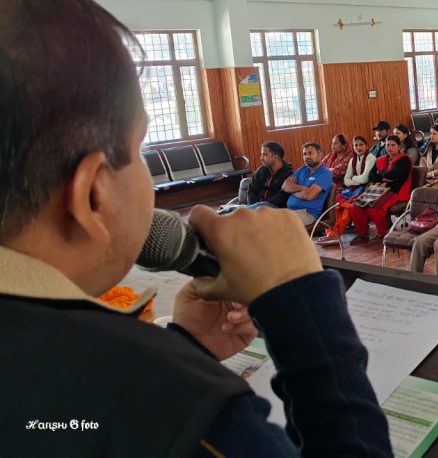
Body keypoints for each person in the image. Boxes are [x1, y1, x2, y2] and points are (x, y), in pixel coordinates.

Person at [0, 1, 392, 456]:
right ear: (93, 195)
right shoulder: (174, 402)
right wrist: (306, 316)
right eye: (140, 151)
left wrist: (187, 349)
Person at [350, 135, 412, 244]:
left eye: (393, 145)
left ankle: (381, 234)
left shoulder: (404, 159)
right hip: (377, 189)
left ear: (399, 147)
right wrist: (385, 176)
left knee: (374, 207)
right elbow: (371, 175)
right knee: (356, 205)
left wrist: (381, 173)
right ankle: (362, 234)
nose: (390, 148)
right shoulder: (381, 159)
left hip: (395, 191)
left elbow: (395, 175)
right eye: (388, 145)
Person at [317, 136, 376, 245]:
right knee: (336, 206)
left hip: (366, 189)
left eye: (361, 145)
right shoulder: (353, 160)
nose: (358, 147)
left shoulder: (370, 158)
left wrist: (353, 178)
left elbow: (364, 179)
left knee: (347, 207)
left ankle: (338, 234)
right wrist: (355, 180)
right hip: (352, 190)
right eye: (356, 145)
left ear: (366, 146)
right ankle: (331, 233)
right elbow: (346, 180)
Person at [279, 143, 333, 225]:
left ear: (320, 154)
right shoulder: (302, 169)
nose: (307, 156)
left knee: (278, 224)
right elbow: (284, 186)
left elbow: (309, 195)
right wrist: (302, 188)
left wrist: (292, 191)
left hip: (307, 214)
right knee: (266, 218)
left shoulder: (324, 173)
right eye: (305, 154)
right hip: (291, 211)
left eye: (310, 153)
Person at [246, 141, 294, 208]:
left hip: (274, 210)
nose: (261, 158)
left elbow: (282, 197)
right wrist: (252, 207)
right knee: (232, 209)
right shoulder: (261, 171)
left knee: (236, 211)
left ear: (275, 156)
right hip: (255, 208)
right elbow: (252, 190)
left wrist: (260, 207)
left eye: (264, 155)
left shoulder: (289, 174)